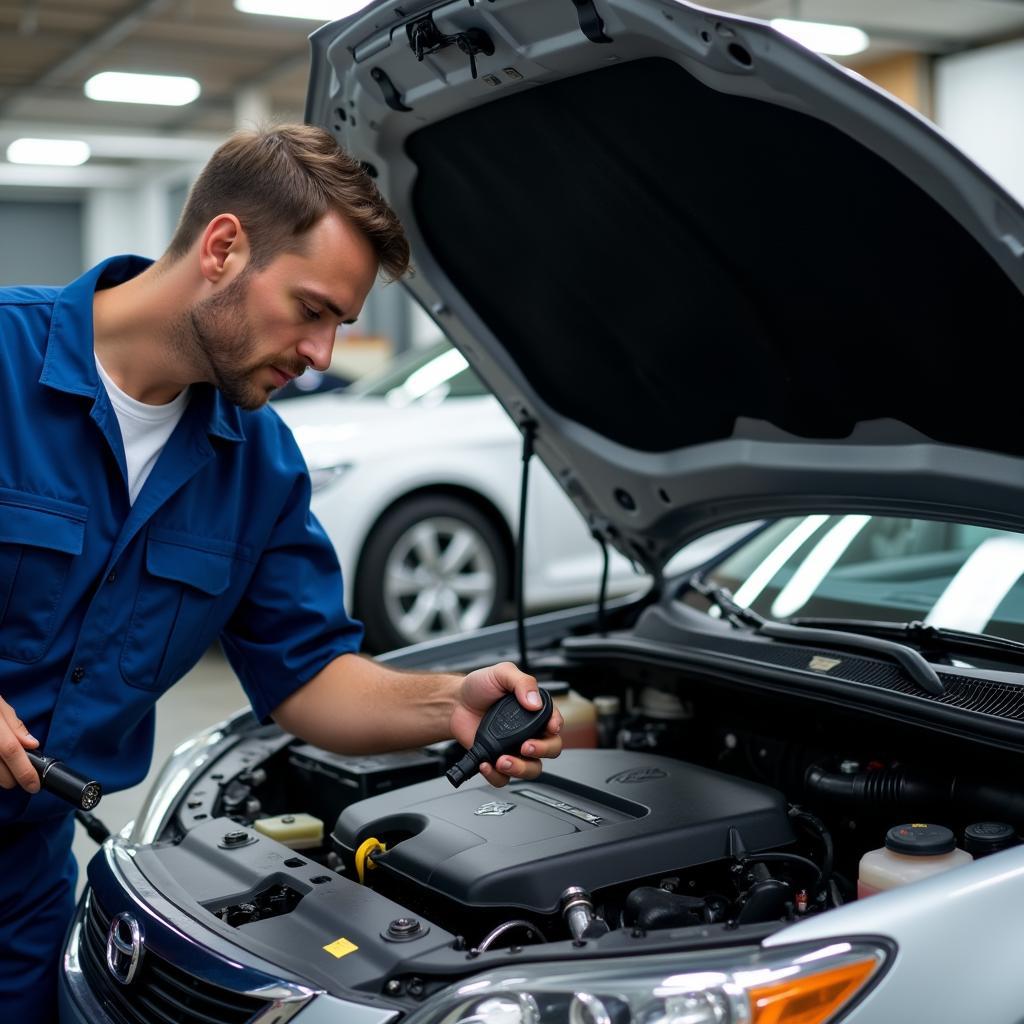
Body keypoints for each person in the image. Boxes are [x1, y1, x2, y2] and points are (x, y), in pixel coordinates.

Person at [0, 124, 563, 1022]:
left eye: (340, 324)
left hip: (19, 884)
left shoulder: (258, 464)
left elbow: (306, 676)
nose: (322, 354)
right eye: (312, 309)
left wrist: (447, 704)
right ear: (223, 248)